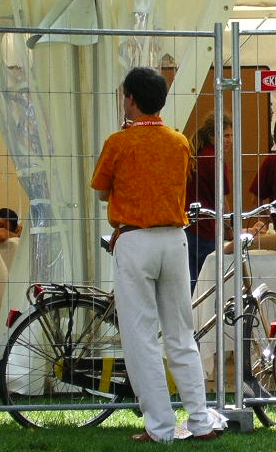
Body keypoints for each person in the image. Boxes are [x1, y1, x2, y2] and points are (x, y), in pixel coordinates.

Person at [90, 67, 225, 443]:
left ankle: (160, 426)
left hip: (134, 240)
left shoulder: (118, 142)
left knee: (141, 337)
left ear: (130, 98)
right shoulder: (179, 141)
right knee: (181, 334)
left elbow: (102, 192)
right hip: (174, 239)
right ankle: (199, 420)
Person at [185, 113, 234, 294]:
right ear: (212, 136)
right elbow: (221, 200)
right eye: (225, 135)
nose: (229, 140)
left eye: (230, 135)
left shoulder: (196, 155)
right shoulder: (215, 160)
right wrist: (229, 228)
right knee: (210, 285)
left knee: (192, 284)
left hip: (189, 228)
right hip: (206, 230)